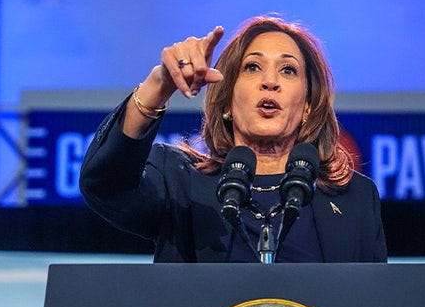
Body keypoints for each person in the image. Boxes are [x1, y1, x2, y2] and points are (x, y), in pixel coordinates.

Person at [79, 16, 387, 263]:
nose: (270, 82)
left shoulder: (356, 198)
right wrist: (159, 85)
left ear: (307, 106)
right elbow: (104, 185)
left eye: (288, 70)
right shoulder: (179, 182)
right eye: (252, 67)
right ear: (226, 101)